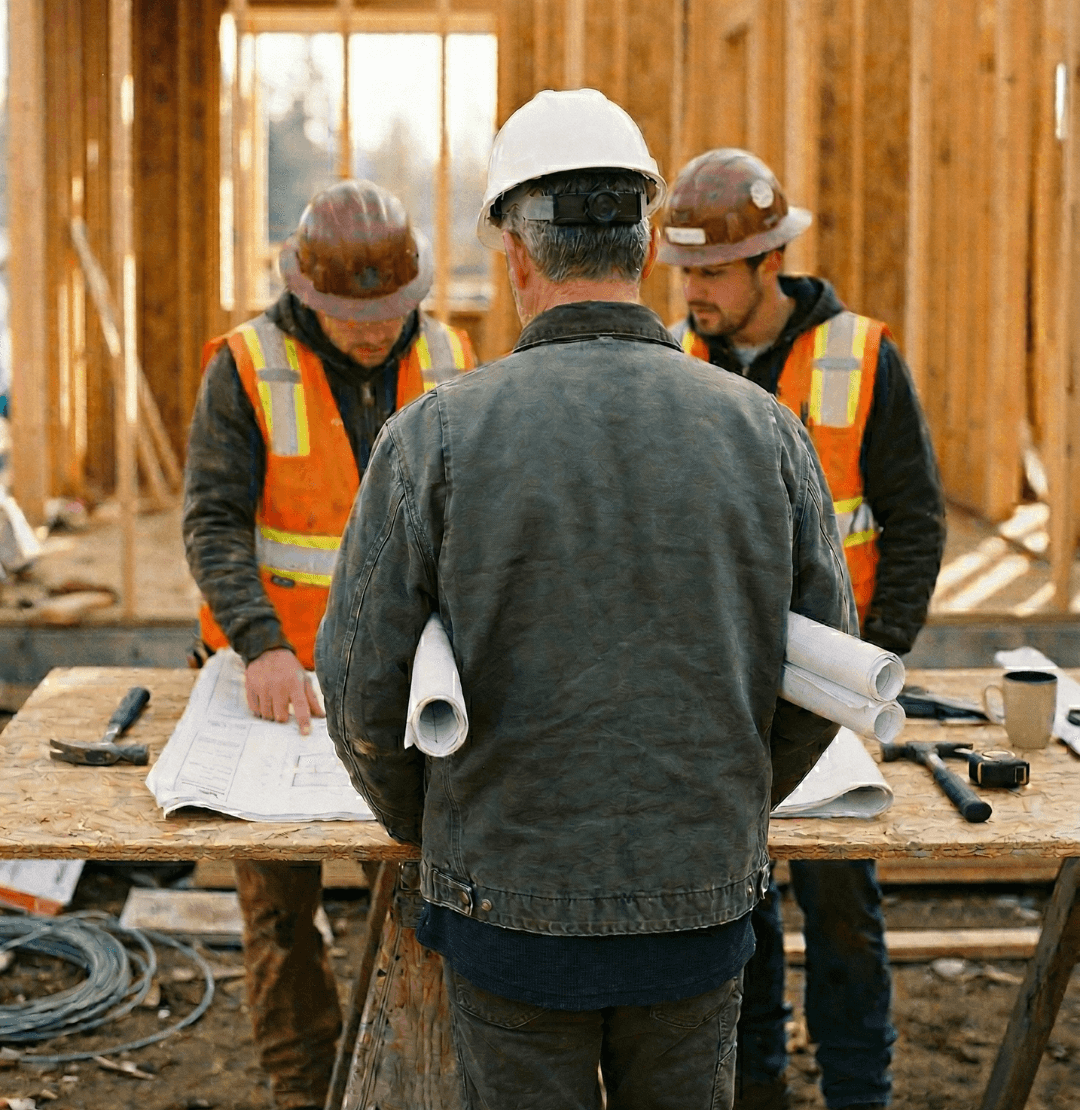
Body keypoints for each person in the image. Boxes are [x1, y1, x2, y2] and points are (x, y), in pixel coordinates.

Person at [317, 89, 856, 1110]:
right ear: (646, 245)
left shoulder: (434, 437)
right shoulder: (764, 431)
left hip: (506, 916)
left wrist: (442, 833)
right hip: (698, 914)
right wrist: (725, 814)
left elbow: (359, 693)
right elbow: (826, 675)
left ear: (517, 256)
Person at [658, 147, 946, 1110]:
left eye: (711, 272)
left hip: (837, 691)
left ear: (768, 262)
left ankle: (860, 1090)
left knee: (842, 905)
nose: (692, 291)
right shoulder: (673, 362)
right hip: (719, 685)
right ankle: (759, 1090)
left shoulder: (861, 357)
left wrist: (877, 661)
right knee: (738, 904)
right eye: (684, 271)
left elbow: (914, 518)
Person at [182, 179, 476, 1110]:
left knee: (432, 896)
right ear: (305, 293)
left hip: (408, 682)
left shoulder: (450, 356)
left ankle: (417, 1086)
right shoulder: (246, 367)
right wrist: (261, 644)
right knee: (281, 920)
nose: (373, 330)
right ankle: (302, 1094)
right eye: (352, 315)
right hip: (281, 690)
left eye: (388, 311)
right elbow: (212, 522)